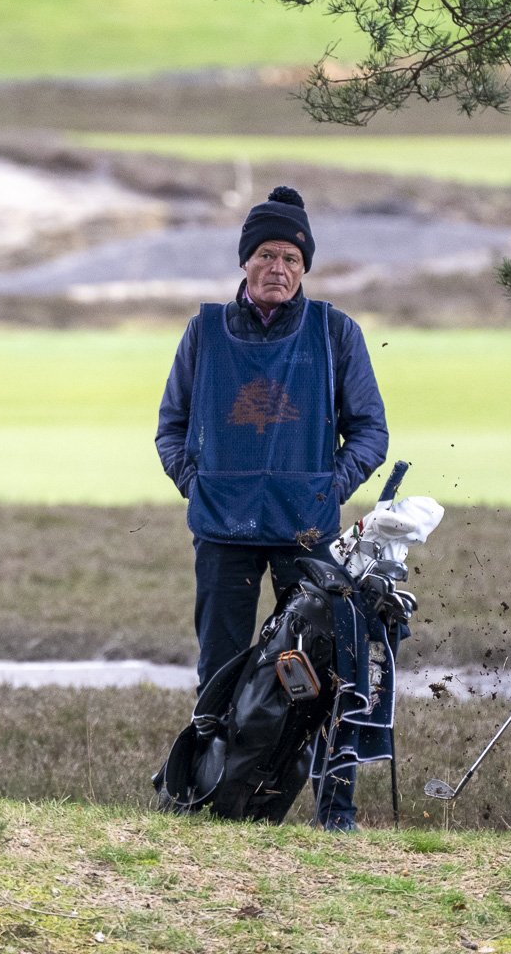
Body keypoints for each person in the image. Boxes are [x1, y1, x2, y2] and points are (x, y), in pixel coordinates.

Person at [155, 185, 389, 830]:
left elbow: (371, 432)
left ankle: (326, 809)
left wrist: (325, 489)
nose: (277, 268)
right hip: (221, 529)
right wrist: (194, 482)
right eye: (265, 255)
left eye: (290, 257)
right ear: (244, 262)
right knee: (221, 665)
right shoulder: (203, 332)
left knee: (317, 670)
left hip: (307, 530)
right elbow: (170, 426)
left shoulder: (336, 332)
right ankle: (210, 799)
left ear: (305, 266)